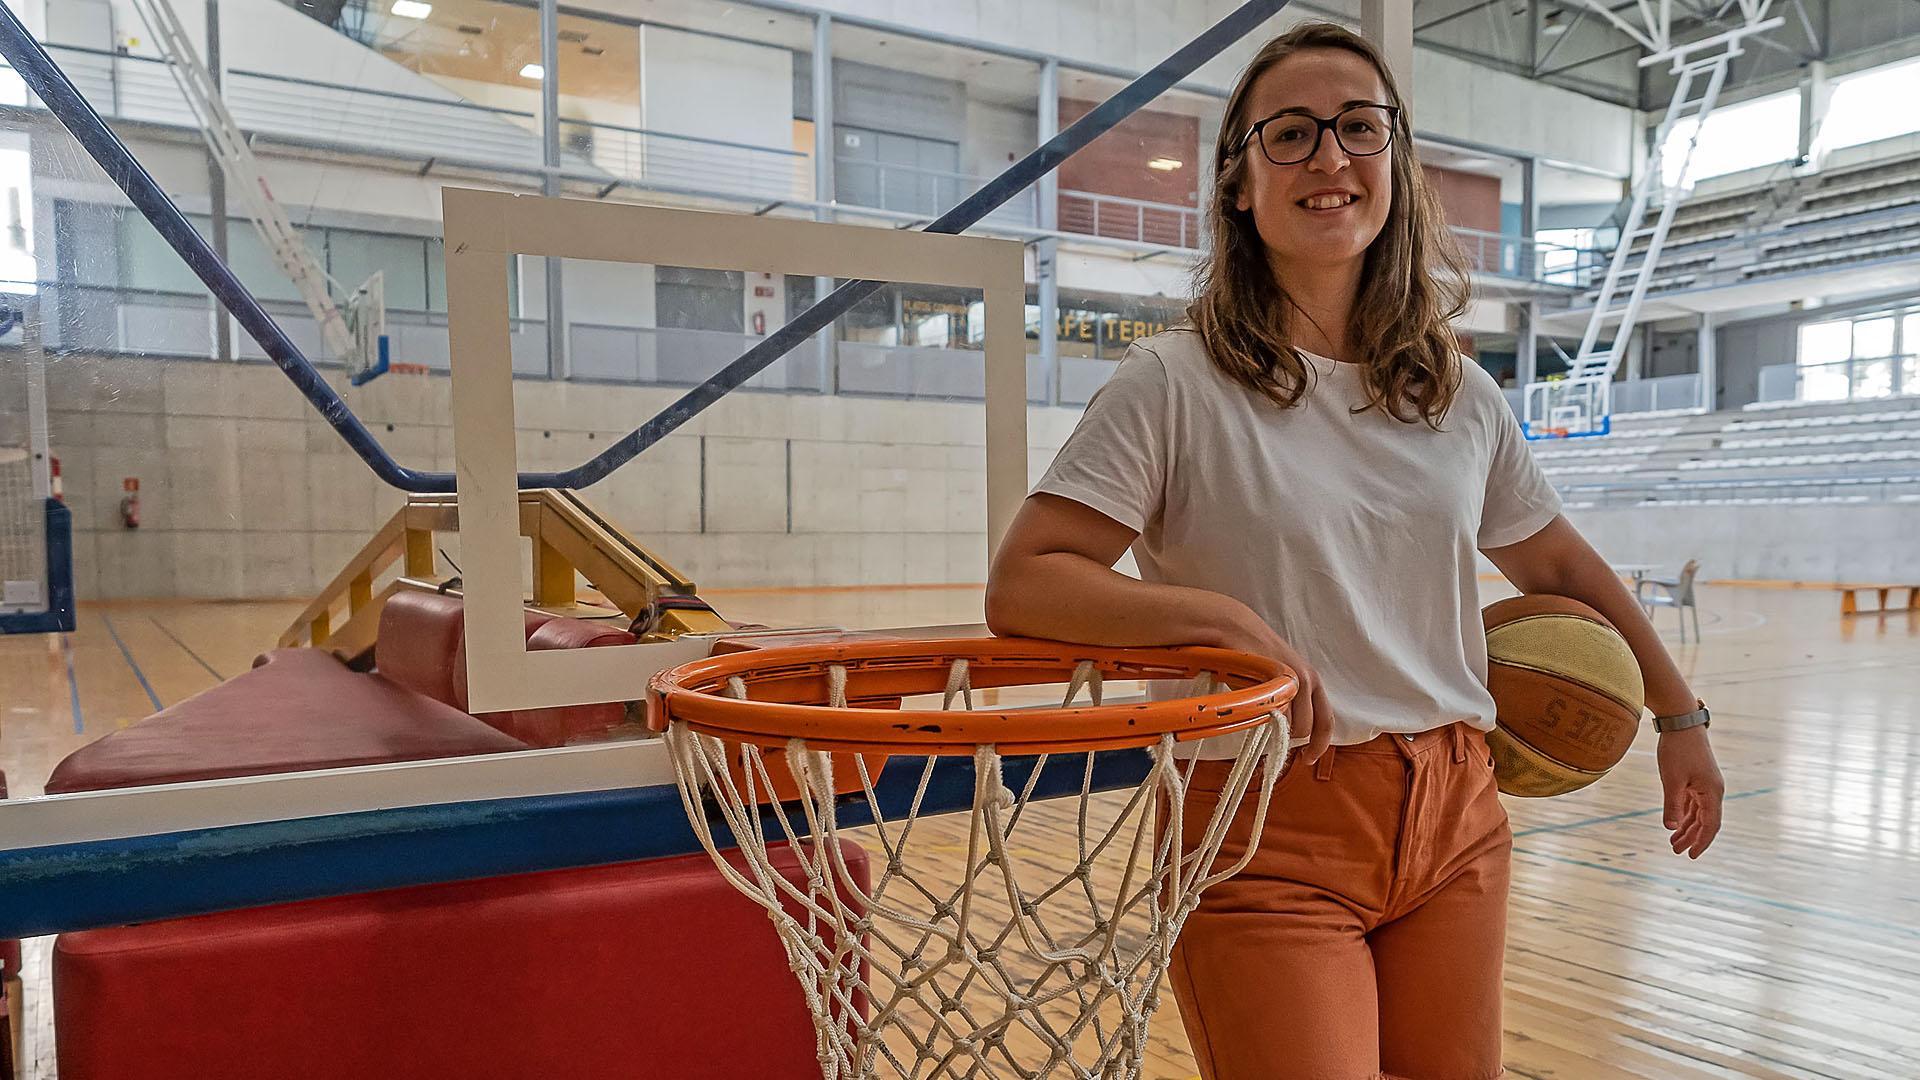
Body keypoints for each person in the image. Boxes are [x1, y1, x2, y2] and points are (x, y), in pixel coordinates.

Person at [983, 22, 1724, 1080]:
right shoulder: (1172, 384)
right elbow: (1027, 580)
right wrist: (1226, 626)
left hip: (1458, 814)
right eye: (1290, 134)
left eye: (1359, 130)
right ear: (1240, 183)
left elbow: (1559, 571)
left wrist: (1679, 715)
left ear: (1397, 167)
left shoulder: (1460, 395)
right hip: (1263, 821)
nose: (1330, 158)